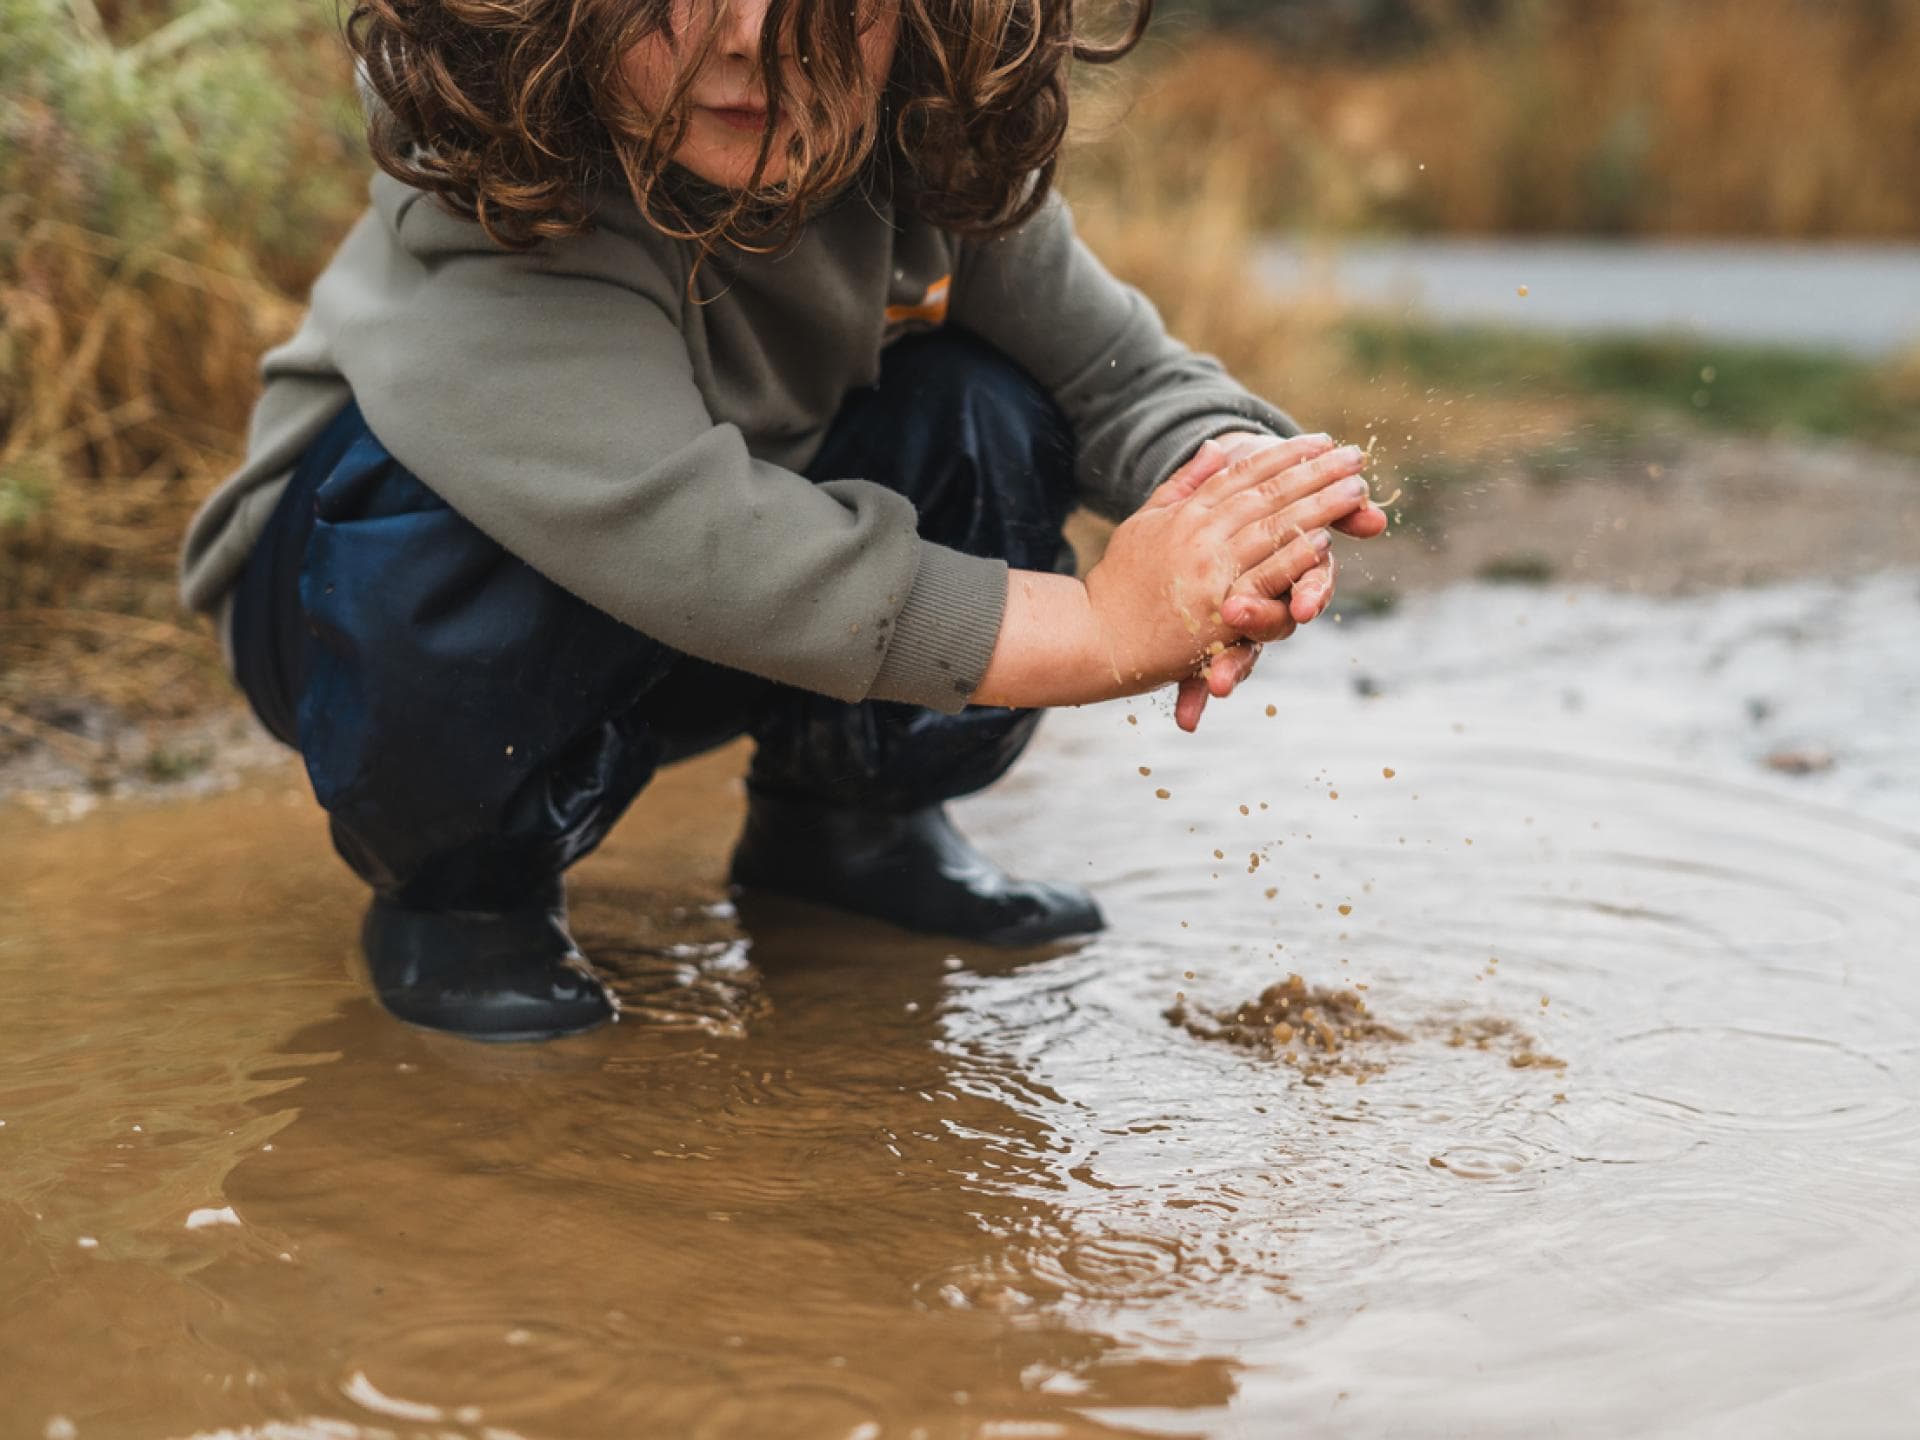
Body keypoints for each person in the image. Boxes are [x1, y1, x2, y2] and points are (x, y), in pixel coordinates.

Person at [177, 0, 1387, 1042]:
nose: (754, 41)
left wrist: (1238, 495)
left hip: (706, 604)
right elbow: (700, 539)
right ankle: (460, 893)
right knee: (459, 522)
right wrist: (1106, 629)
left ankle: (848, 837)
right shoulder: (502, 195)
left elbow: (1115, 373)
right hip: (368, 605)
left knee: (984, 405)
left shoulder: (909, 137)